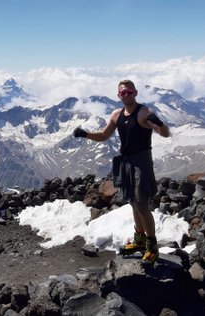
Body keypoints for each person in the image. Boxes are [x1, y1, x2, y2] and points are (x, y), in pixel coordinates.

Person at [73, 79, 170, 264]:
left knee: (142, 204)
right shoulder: (117, 115)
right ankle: (139, 240)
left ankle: (152, 247)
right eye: (123, 93)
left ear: (135, 92)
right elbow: (103, 136)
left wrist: (159, 123)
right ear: (118, 96)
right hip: (126, 161)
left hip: (142, 161)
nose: (126, 95)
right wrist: (85, 134)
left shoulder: (144, 112)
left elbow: (165, 133)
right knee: (133, 202)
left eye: (129, 92)